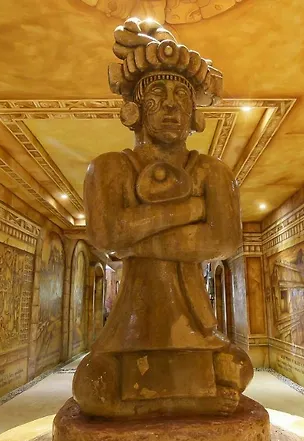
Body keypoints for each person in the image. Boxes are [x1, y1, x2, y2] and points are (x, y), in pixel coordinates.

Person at [73, 17, 253, 418]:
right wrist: (191, 210)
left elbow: (223, 241)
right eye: (157, 92)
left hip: (198, 328)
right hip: (129, 328)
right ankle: (193, 400)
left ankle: (161, 402)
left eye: (181, 94)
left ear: (194, 112)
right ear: (135, 108)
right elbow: (107, 233)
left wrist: (134, 241)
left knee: (238, 369)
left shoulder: (213, 172)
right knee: (91, 386)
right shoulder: (109, 167)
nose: (171, 104)